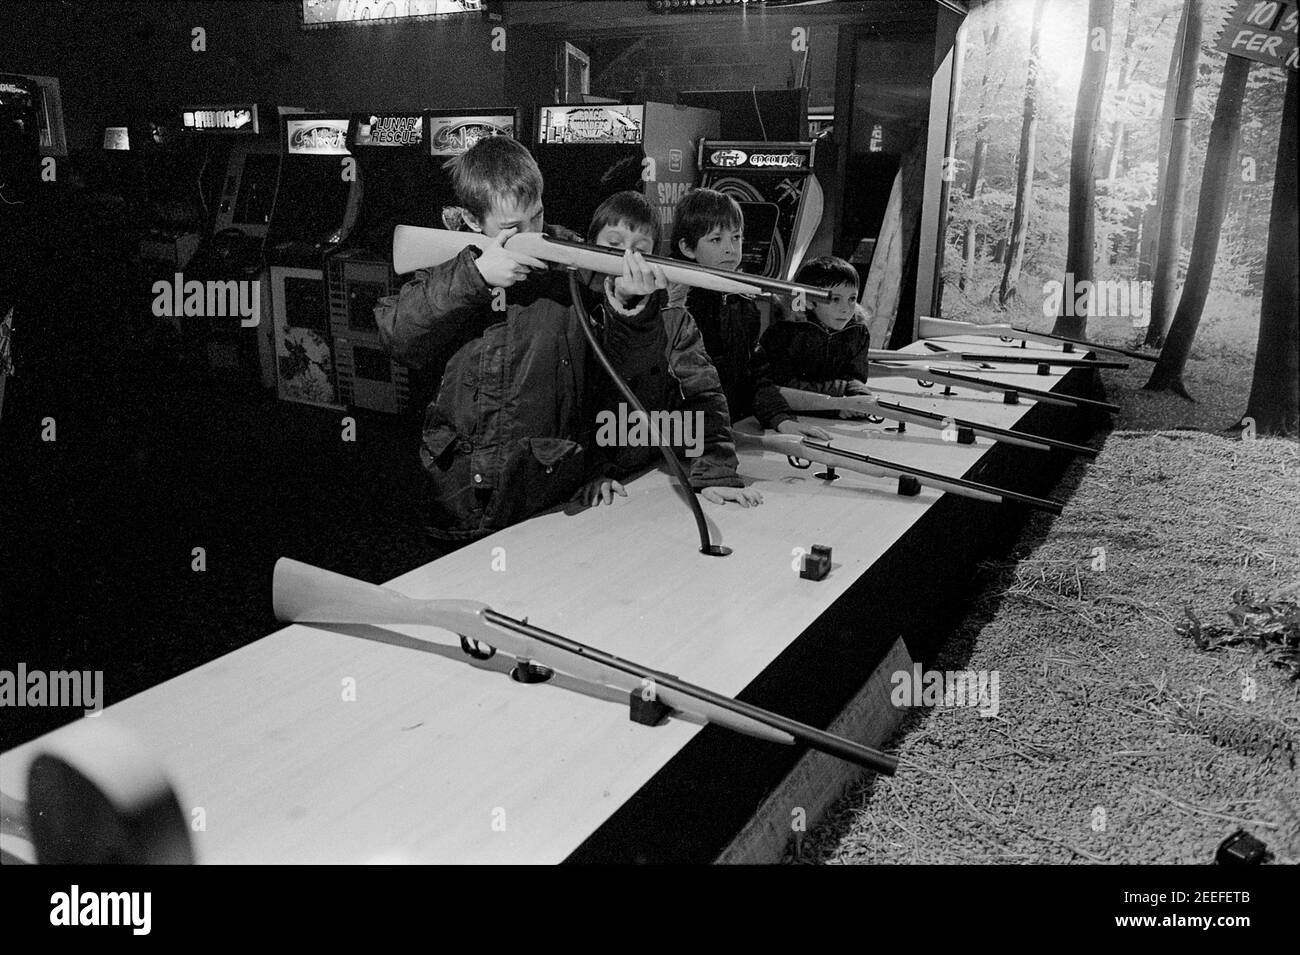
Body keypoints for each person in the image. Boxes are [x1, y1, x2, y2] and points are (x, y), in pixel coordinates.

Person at [374, 136, 669, 543]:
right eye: (512, 227)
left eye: (538, 216)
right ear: (473, 222)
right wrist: (475, 277)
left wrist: (631, 307)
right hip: (462, 494)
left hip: (554, 486)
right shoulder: (448, 263)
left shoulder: (573, 261)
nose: (532, 233)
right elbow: (398, 336)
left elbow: (622, 375)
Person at [578, 191, 761, 508]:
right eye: (613, 243)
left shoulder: (674, 319)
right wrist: (590, 472)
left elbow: (703, 396)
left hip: (641, 474)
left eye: (640, 250)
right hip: (583, 486)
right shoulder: (569, 310)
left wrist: (715, 474)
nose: (626, 258)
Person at [668, 189, 830, 440]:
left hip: (730, 434)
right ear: (687, 248)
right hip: (685, 440)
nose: (730, 249)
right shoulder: (677, 307)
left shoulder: (743, 303)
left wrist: (781, 419)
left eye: (736, 238)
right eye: (716, 240)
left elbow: (755, 375)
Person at [753, 255, 876, 420]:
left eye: (852, 299)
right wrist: (838, 400)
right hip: (786, 417)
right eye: (835, 299)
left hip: (837, 415)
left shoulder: (857, 333)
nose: (845, 309)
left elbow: (855, 377)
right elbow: (783, 385)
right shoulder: (784, 334)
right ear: (810, 302)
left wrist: (861, 397)